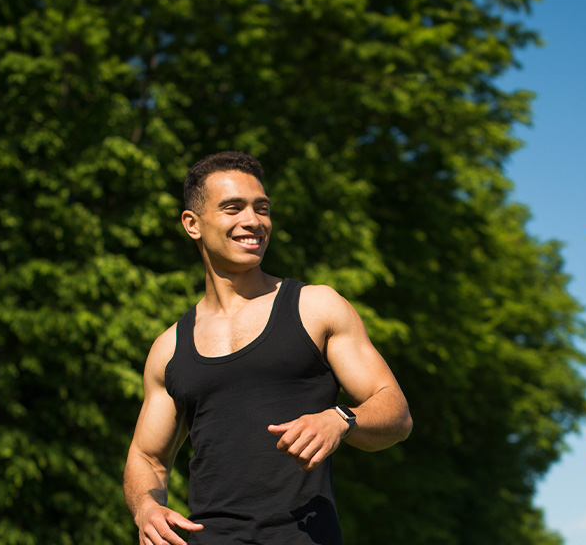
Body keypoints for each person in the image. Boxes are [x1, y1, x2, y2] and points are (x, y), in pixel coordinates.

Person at [123, 151, 413, 545]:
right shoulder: (168, 347)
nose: (253, 221)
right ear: (192, 224)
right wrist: (146, 508)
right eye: (233, 208)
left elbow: (396, 413)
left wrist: (340, 418)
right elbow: (146, 456)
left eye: (262, 209)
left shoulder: (316, 307)